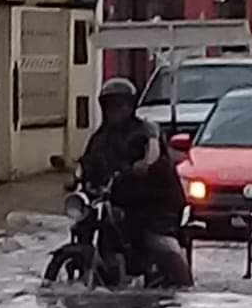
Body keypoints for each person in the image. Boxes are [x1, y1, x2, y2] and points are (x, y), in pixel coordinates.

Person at [78, 76, 193, 287]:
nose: (116, 110)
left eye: (122, 104)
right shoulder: (99, 138)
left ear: (131, 106)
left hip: (152, 202)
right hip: (117, 199)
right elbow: (89, 163)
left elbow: (153, 151)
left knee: (158, 243)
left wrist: (145, 166)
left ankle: (184, 284)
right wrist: (81, 179)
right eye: (111, 105)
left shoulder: (147, 131)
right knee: (86, 224)